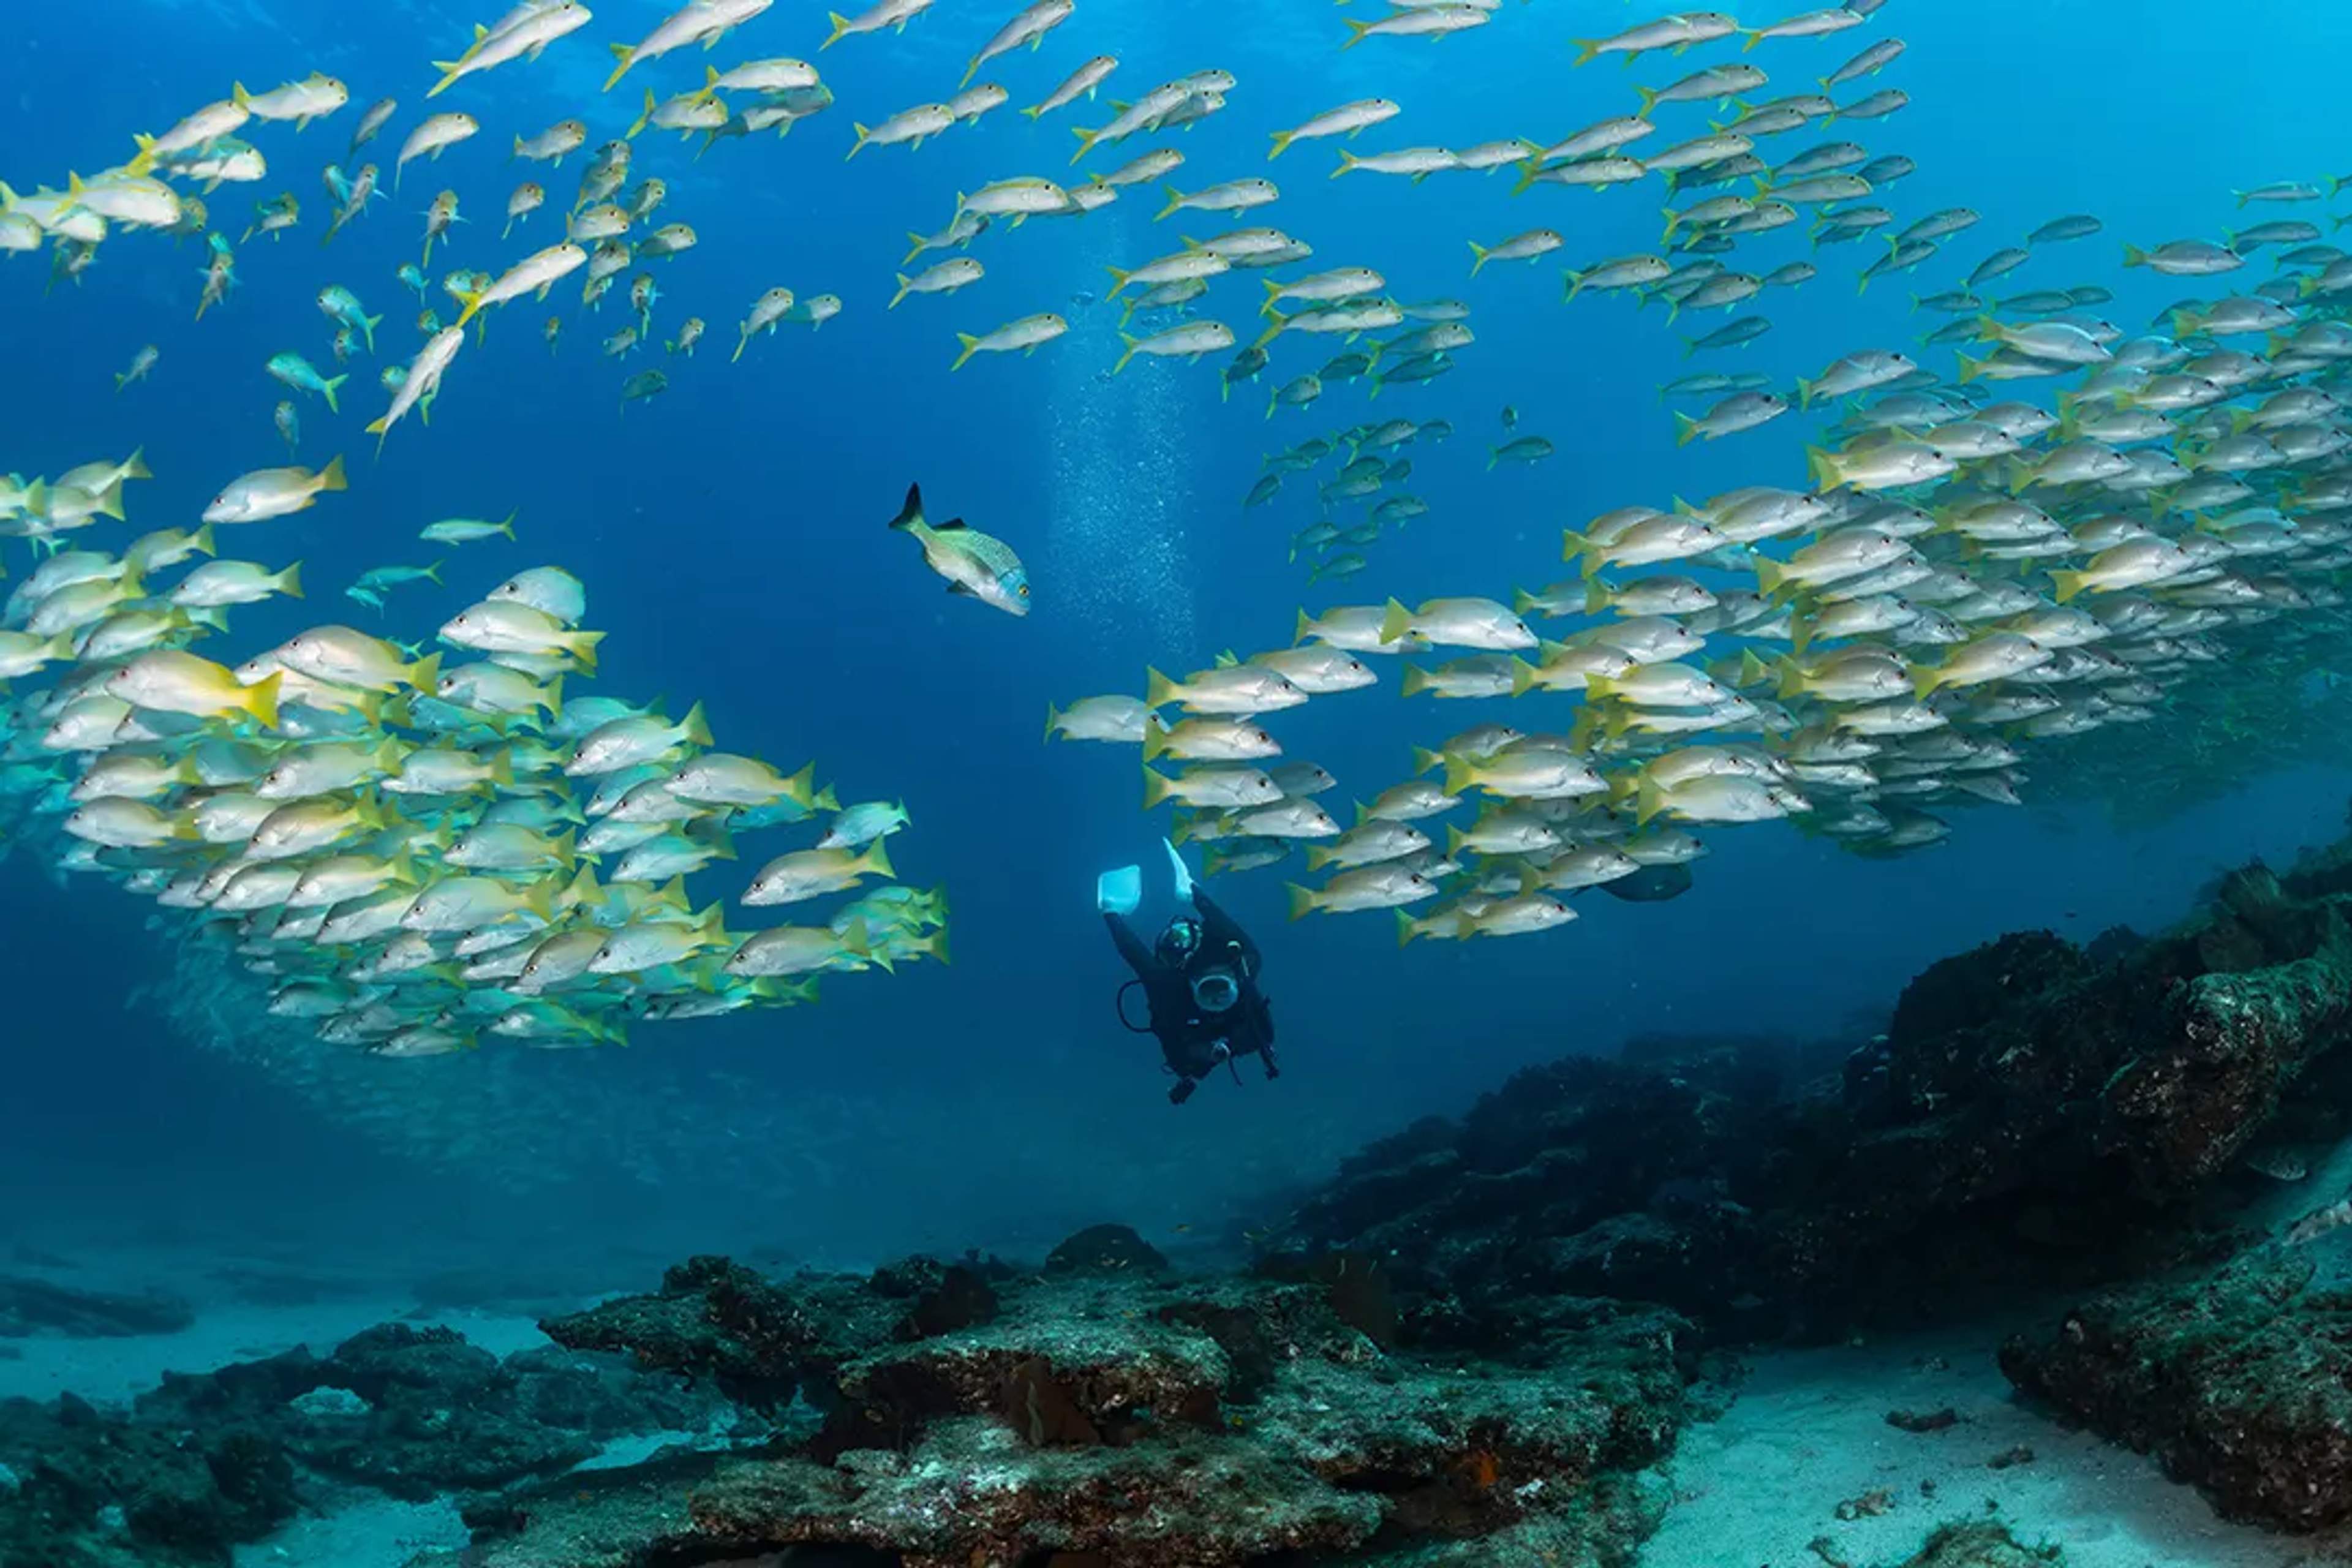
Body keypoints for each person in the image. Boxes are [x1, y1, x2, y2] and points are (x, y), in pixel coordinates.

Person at [1100, 840, 1279, 1104]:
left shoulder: (1239, 969)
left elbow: (1133, 952)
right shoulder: (1170, 987)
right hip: (1197, 980)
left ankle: (1192, 891)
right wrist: (1111, 913)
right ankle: (1191, 891)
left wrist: (1111, 912)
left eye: (1218, 991)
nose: (1216, 1000)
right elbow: (1135, 954)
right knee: (1250, 953)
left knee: (1247, 952)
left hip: (1215, 959)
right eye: (1211, 991)